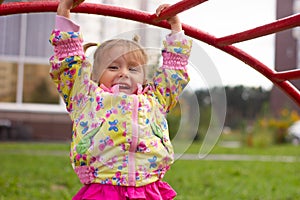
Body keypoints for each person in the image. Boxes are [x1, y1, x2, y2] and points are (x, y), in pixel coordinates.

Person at [49, 0, 192, 199]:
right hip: (103, 188)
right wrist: (64, 10)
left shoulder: (156, 99)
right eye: (113, 67)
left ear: (144, 76)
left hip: (148, 188)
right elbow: (68, 61)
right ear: (96, 74)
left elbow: (174, 71)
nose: (124, 73)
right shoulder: (85, 97)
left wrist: (176, 27)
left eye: (133, 69)